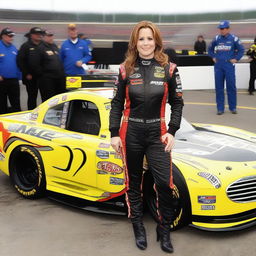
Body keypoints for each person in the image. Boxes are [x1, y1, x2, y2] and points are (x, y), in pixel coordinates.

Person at [109, 21, 183, 253]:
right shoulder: (124, 69)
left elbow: (178, 102)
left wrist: (172, 130)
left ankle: (164, 228)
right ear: (135, 42)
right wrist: (113, 133)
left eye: (149, 38)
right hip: (130, 131)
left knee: (164, 183)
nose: (145, 43)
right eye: (141, 39)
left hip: (158, 132)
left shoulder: (170, 69)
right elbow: (117, 103)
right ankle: (138, 226)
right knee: (133, 183)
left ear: (156, 41)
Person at [208, 20, 244, 115]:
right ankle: (220, 108)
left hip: (229, 66)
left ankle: (233, 108)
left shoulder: (234, 39)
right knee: (219, 88)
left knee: (231, 87)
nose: (222, 30)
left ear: (228, 29)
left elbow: (241, 50)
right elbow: (210, 49)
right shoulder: (216, 38)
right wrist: (213, 57)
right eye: (220, 29)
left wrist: (236, 59)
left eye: (223, 29)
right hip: (218, 66)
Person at [30, 30, 66, 102]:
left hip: (58, 78)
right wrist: (43, 75)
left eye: (51, 36)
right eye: (49, 36)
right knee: (49, 100)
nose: (51, 38)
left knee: (59, 100)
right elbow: (34, 64)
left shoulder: (54, 46)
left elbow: (59, 60)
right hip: (47, 80)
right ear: (43, 37)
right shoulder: (39, 48)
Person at [17, 27, 45, 110]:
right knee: (32, 97)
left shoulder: (44, 45)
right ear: (31, 35)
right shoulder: (25, 46)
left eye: (40, 34)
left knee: (45, 97)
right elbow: (20, 61)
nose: (39, 36)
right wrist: (26, 73)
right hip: (30, 77)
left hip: (43, 77)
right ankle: (31, 114)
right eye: (37, 34)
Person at [0, 28, 21, 114]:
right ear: (3, 36)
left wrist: (19, 77)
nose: (12, 38)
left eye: (12, 36)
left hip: (13, 80)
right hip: (2, 80)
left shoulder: (13, 48)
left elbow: (17, 63)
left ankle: (17, 121)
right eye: (10, 36)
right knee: (1, 103)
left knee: (16, 103)